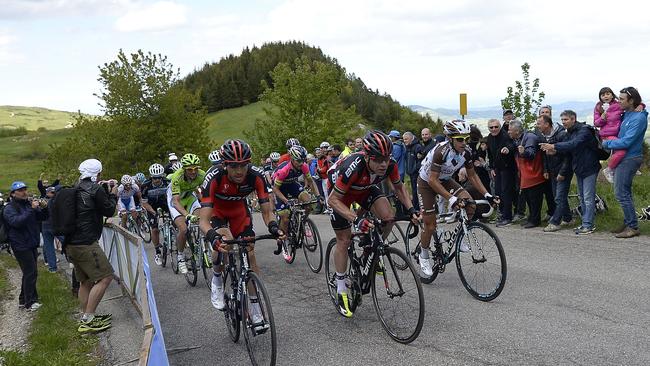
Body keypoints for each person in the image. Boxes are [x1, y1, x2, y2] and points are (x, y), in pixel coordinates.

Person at [327, 130, 419, 318]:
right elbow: (333, 200)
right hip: (339, 195)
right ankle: (341, 285)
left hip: (364, 189)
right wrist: (357, 218)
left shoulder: (389, 164)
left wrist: (411, 210)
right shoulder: (352, 166)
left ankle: (371, 251)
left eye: (386, 158)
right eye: (378, 159)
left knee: (388, 218)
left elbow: (399, 187)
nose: (383, 164)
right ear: (367, 156)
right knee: (344, 240)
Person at [199, 140, 285, 323]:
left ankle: (254, 306)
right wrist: (212, 236)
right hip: (218, 212)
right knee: (225, 242)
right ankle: (217, 280)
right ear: (224, 165)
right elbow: (203, 221)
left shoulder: (256, 176)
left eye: (244, 165)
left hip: (239, 210)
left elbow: (267, 212)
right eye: (234, 166)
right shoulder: (213, 177)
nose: (239, 171)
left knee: (249, 249)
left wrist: (274, 227)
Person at [417, 121, 497, 276]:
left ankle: (460, 238)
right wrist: (452, 199)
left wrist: (487, 195)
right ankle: (424, 255)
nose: (464, 143)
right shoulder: (441, 151)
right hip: (427, 182)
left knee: (470, 204)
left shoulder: (466, 152)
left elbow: (472, 175)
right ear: (450, 138)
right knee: (430, 225)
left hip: (445, 179)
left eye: (466, 139)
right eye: (460, 139)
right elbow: (433, 180)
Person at [65, 159, 118, 333]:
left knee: (85, 281)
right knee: (106, 277)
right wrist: (113, 193)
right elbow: (109, 211)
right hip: (86, 243)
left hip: (71, 242)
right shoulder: (95, 189)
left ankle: (86, 316)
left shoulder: (75, 187)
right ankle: (88, 320)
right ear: (98, 173)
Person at [540, 110, 601, 235]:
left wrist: (554, 146)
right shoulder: (570, 132)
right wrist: (555, 151)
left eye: (566, 120)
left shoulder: (584, 130)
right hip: (579, 168)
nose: (563, 122)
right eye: (562, 120)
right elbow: (568, 149)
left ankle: (588, 225)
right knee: (582, 197)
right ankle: (585, 223)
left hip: (589, 168)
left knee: (588, 198)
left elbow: (574, 144)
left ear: (573, 119)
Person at [602, 87, 648, 238]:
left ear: (632, 101)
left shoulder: (639, 118)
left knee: (621, 192)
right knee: (624, 192)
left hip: (630, 158)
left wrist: (607, 144)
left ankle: (632, 227)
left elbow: (627, 141)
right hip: (623, 157)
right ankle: (629, 222)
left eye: (622, 99)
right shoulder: (627, 113)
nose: (619, 101)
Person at [3, 181, 48, 311]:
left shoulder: (28, 204)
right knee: (31, 272)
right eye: (20, 190)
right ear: (13, 193)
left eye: (25, 189)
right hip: (20, 245)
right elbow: (17, 222)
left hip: (31, 243)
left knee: (29, 272)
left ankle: (23, 300)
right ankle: (30, 302)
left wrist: (44, 207)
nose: (24, 192)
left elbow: (43, 217)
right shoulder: (9, 208)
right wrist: (31, 209)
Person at [271, 145, 321, 259]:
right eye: (298, 161)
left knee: (308, 201)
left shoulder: (304, 166)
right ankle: (283, 242)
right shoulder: (284, 170)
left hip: (292, 184)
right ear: (292, 159)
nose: (301, 163)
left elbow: (311, 181)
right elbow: (275, 189)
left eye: (303, 160)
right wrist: (286, 201)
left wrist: (318, 196)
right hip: (280, 188)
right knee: (285, 216)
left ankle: (302, 223)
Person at [167, 153, 206, 273]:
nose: (193, 172)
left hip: (190, 198)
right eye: (189, 169)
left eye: (195, 168)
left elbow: (203, 193)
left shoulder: (202, 175)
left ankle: (203, 246)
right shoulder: (177, 178)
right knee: (183, 229)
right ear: (184, 169)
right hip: (175, 201)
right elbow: (176, 201)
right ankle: (180, 256)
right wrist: (187, 215)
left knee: (202, 220)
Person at [537, 115, 573, 232]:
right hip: (552, 170)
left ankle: (555, 222)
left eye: (539, 123)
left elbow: (568, 155)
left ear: (547, 124)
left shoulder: (561, 134)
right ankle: (568, 218)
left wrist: (562, 172)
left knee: (559, 197)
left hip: (563, 170)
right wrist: (546, 170)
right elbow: (546, 154)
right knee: (557, 196)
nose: (537, 126)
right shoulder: (544, 136)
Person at [508, 119, 546, 228]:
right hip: (526, 174)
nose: (509, 132)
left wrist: (523, 152)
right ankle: (531, 218)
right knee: (529, 197)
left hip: (534, 174)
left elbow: (531, 154)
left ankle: (535, 220)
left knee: (534, 199)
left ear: (516, 131)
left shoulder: (529, 137)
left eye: (510, 130)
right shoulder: (518, 139)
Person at [593, 87, 625, 183]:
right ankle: (609, 169)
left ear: (612, 95)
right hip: (607, 135)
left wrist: (641, 105)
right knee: (622, 151)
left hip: (619, 134)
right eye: (603, 95)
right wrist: (602, 118)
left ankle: (625, 169)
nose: (605, 96)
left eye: (607, 94)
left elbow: (631, 105)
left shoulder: (618, 104)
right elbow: (596, 123)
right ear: (600, 97)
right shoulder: (599, 107)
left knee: (620, 153)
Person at [140, 163, 170, 265]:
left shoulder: (168, 182)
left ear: (162, 176)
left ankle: (172, 236)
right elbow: (144, 203)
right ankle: (157, 252)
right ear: (151, 177)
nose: (156, 180)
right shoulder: (145, 185)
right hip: (151, 206)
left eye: (159, 178)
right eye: (154, 178)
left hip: (165, 204)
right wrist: (153, 212)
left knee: (175, 221)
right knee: (155, 229)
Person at [41, 186, 59, 272]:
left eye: (54, 192)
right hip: (55, 226)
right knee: (67, 243)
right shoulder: (56, 201)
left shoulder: (42, 201)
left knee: (48, 246)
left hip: (46, 225)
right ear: (47, 193)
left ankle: (52, 267)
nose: (53, 194)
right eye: (52, 192)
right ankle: (52, 267)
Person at [403, 131, 422, 210]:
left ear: (411, 138)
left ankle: (418, 209)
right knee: (414, 192)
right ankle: (416, 208)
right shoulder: (407, 147)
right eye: (404, 139)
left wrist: (414, 170)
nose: (405, 141)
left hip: (416, 174)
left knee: (417, 192)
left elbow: (420, 161)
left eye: (406, 139)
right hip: (411, 173)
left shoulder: (417, 147)